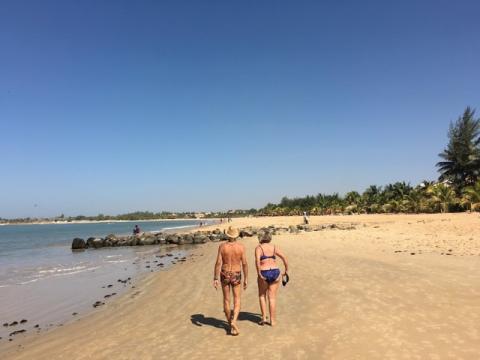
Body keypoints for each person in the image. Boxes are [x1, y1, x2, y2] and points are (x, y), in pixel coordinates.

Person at [213, 226, 248, 336]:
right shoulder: (241, 247)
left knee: (226, 300)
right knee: (237, 299)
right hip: (236, 273)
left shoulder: (222, 246)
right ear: (236, 235)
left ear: (228, 235)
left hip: (225, 273)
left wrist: (215, 278)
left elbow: (218, 263)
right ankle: (234, 321)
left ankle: (229, 325)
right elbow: (245, 263)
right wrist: (246, 278)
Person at [255, 232, 288, 326]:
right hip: (275, 272)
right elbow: (284, 257)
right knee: (272, 298)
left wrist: (259, 273)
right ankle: (272, 321)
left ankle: (264, 318)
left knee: (262, 295)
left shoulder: (259, 248)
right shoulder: (274, 247)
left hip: (264, 272)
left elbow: (257, 261)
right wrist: (286, 270)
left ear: (260, 237)